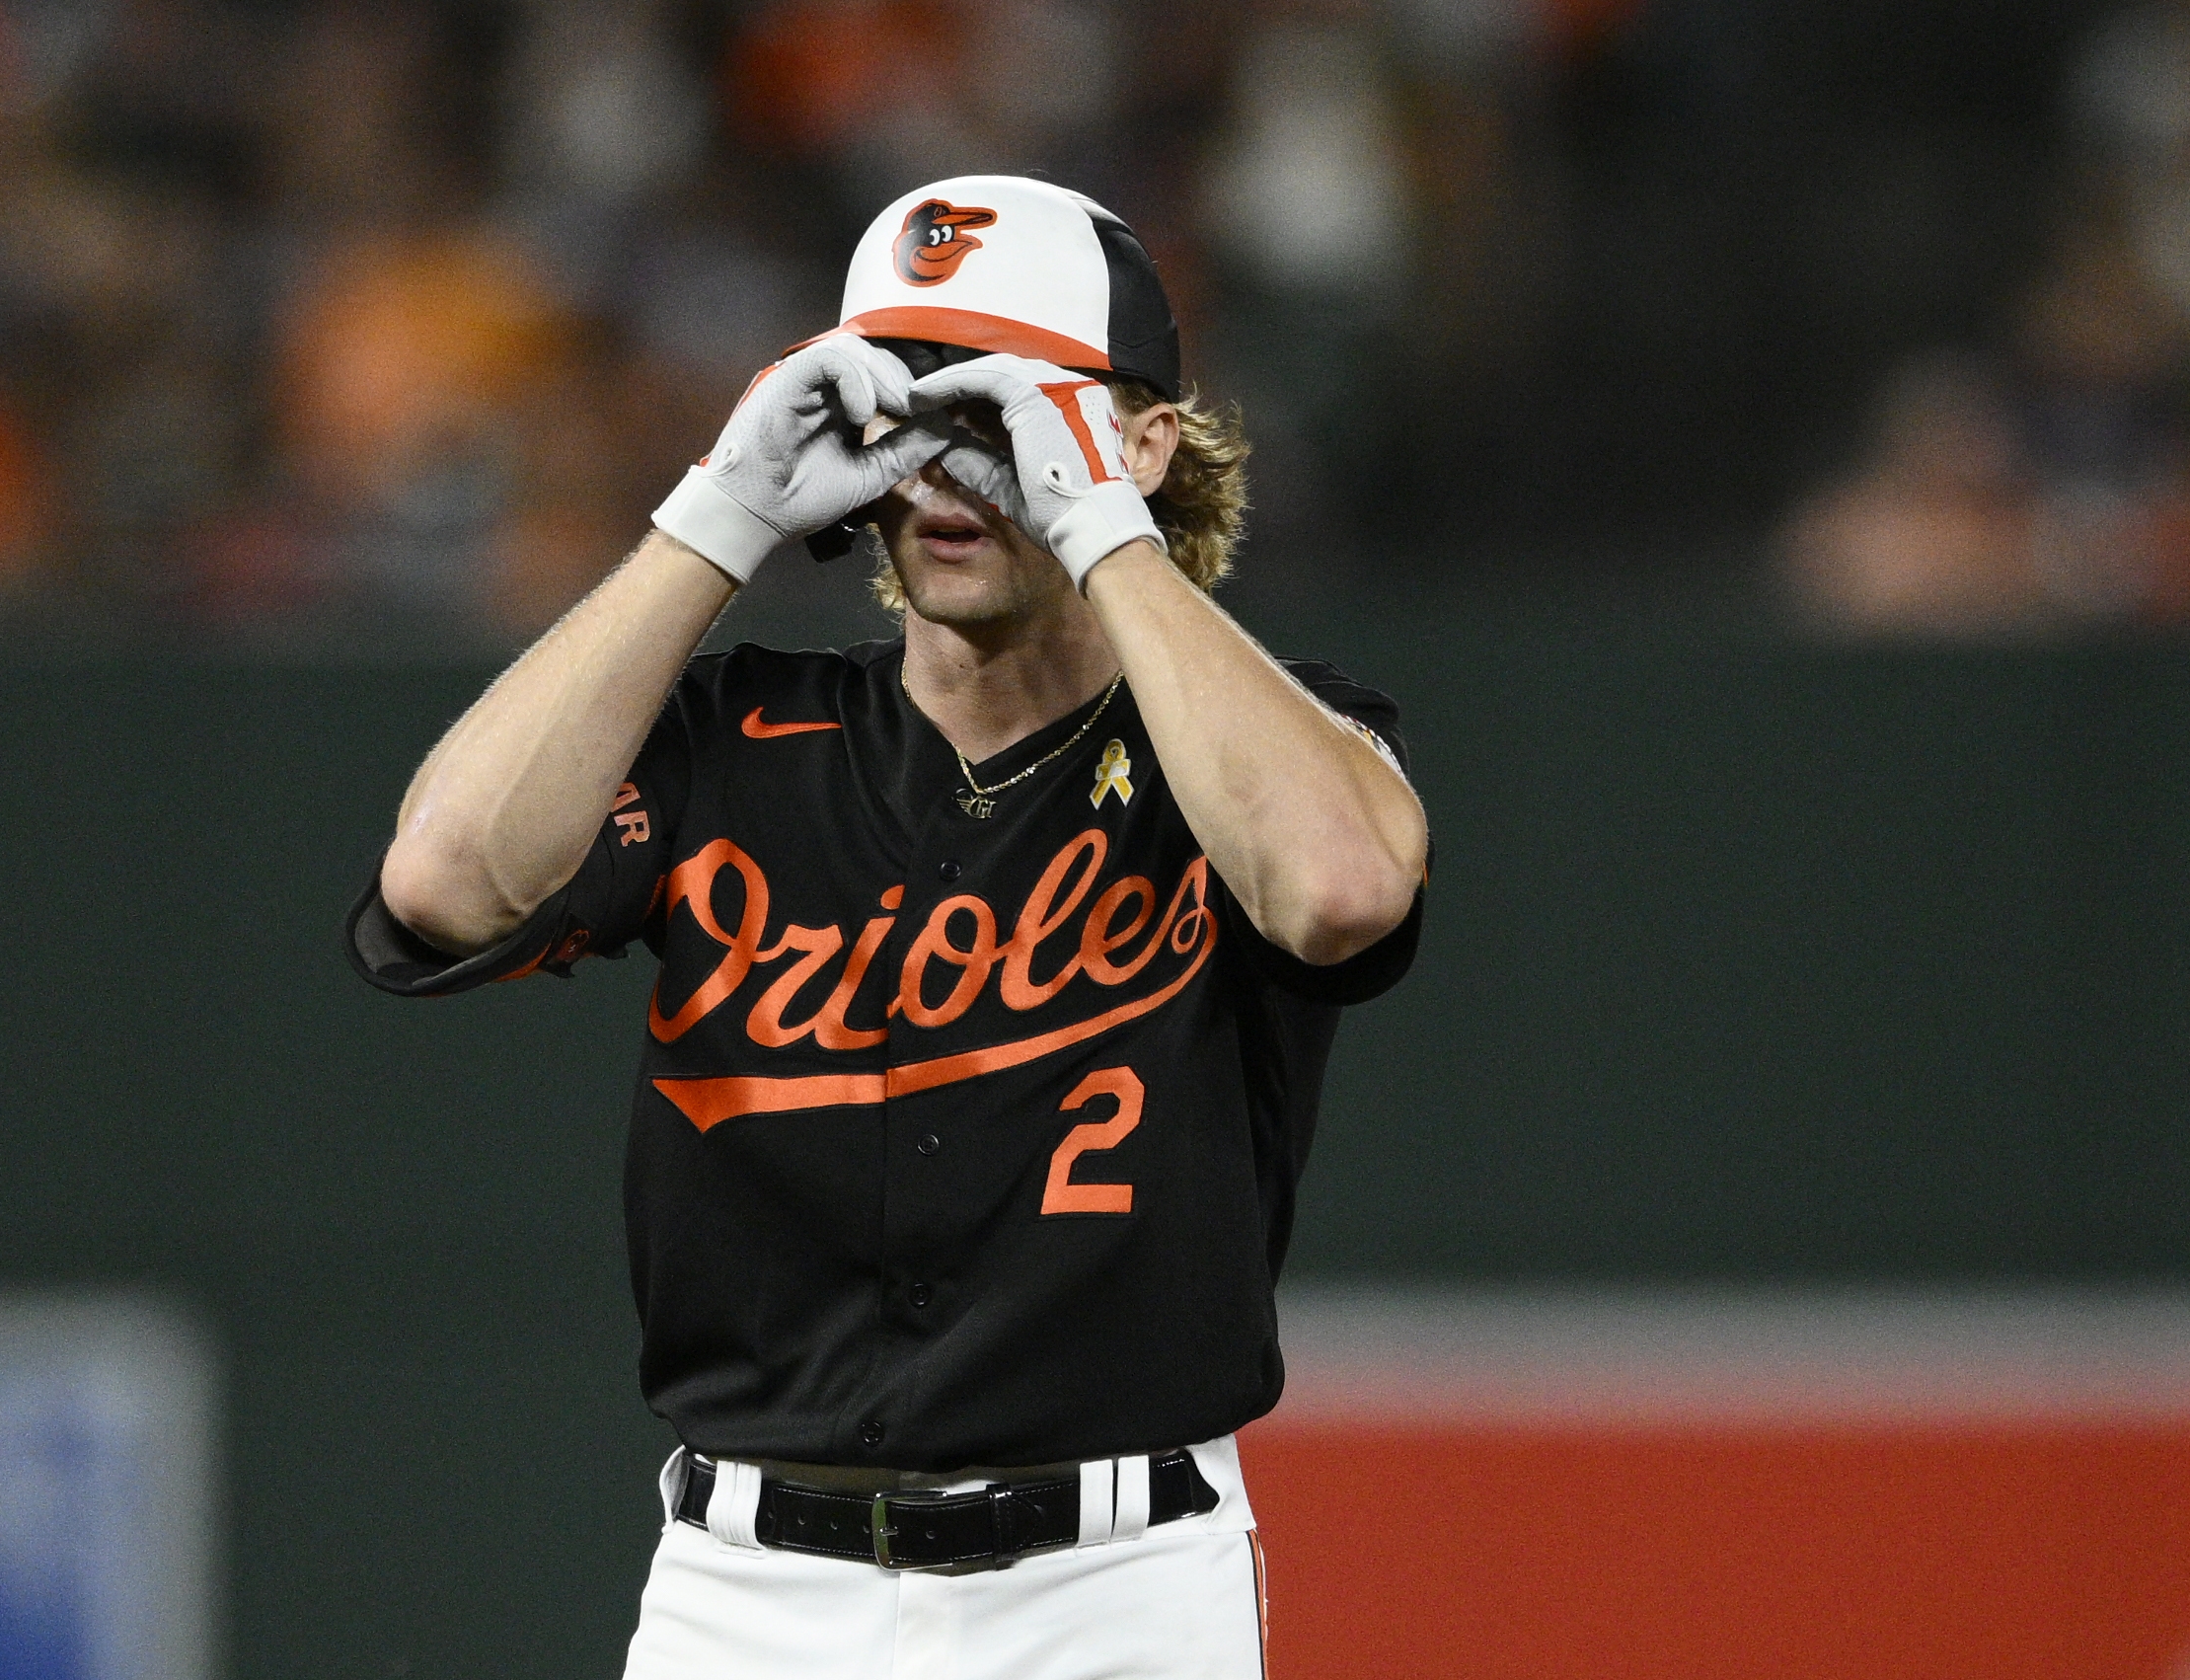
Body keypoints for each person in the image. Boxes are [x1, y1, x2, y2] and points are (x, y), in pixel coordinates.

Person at [347, 175, 1429, 1679]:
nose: (946, 463)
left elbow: (1337, 886)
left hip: (1112, 1590)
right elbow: (444, 881)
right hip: (747, 1592)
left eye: (1000, 413)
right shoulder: (733, 736)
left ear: (1139, 438)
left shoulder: (1249, 747)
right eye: (905, 406)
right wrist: (709, 514)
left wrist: (1105, 522)